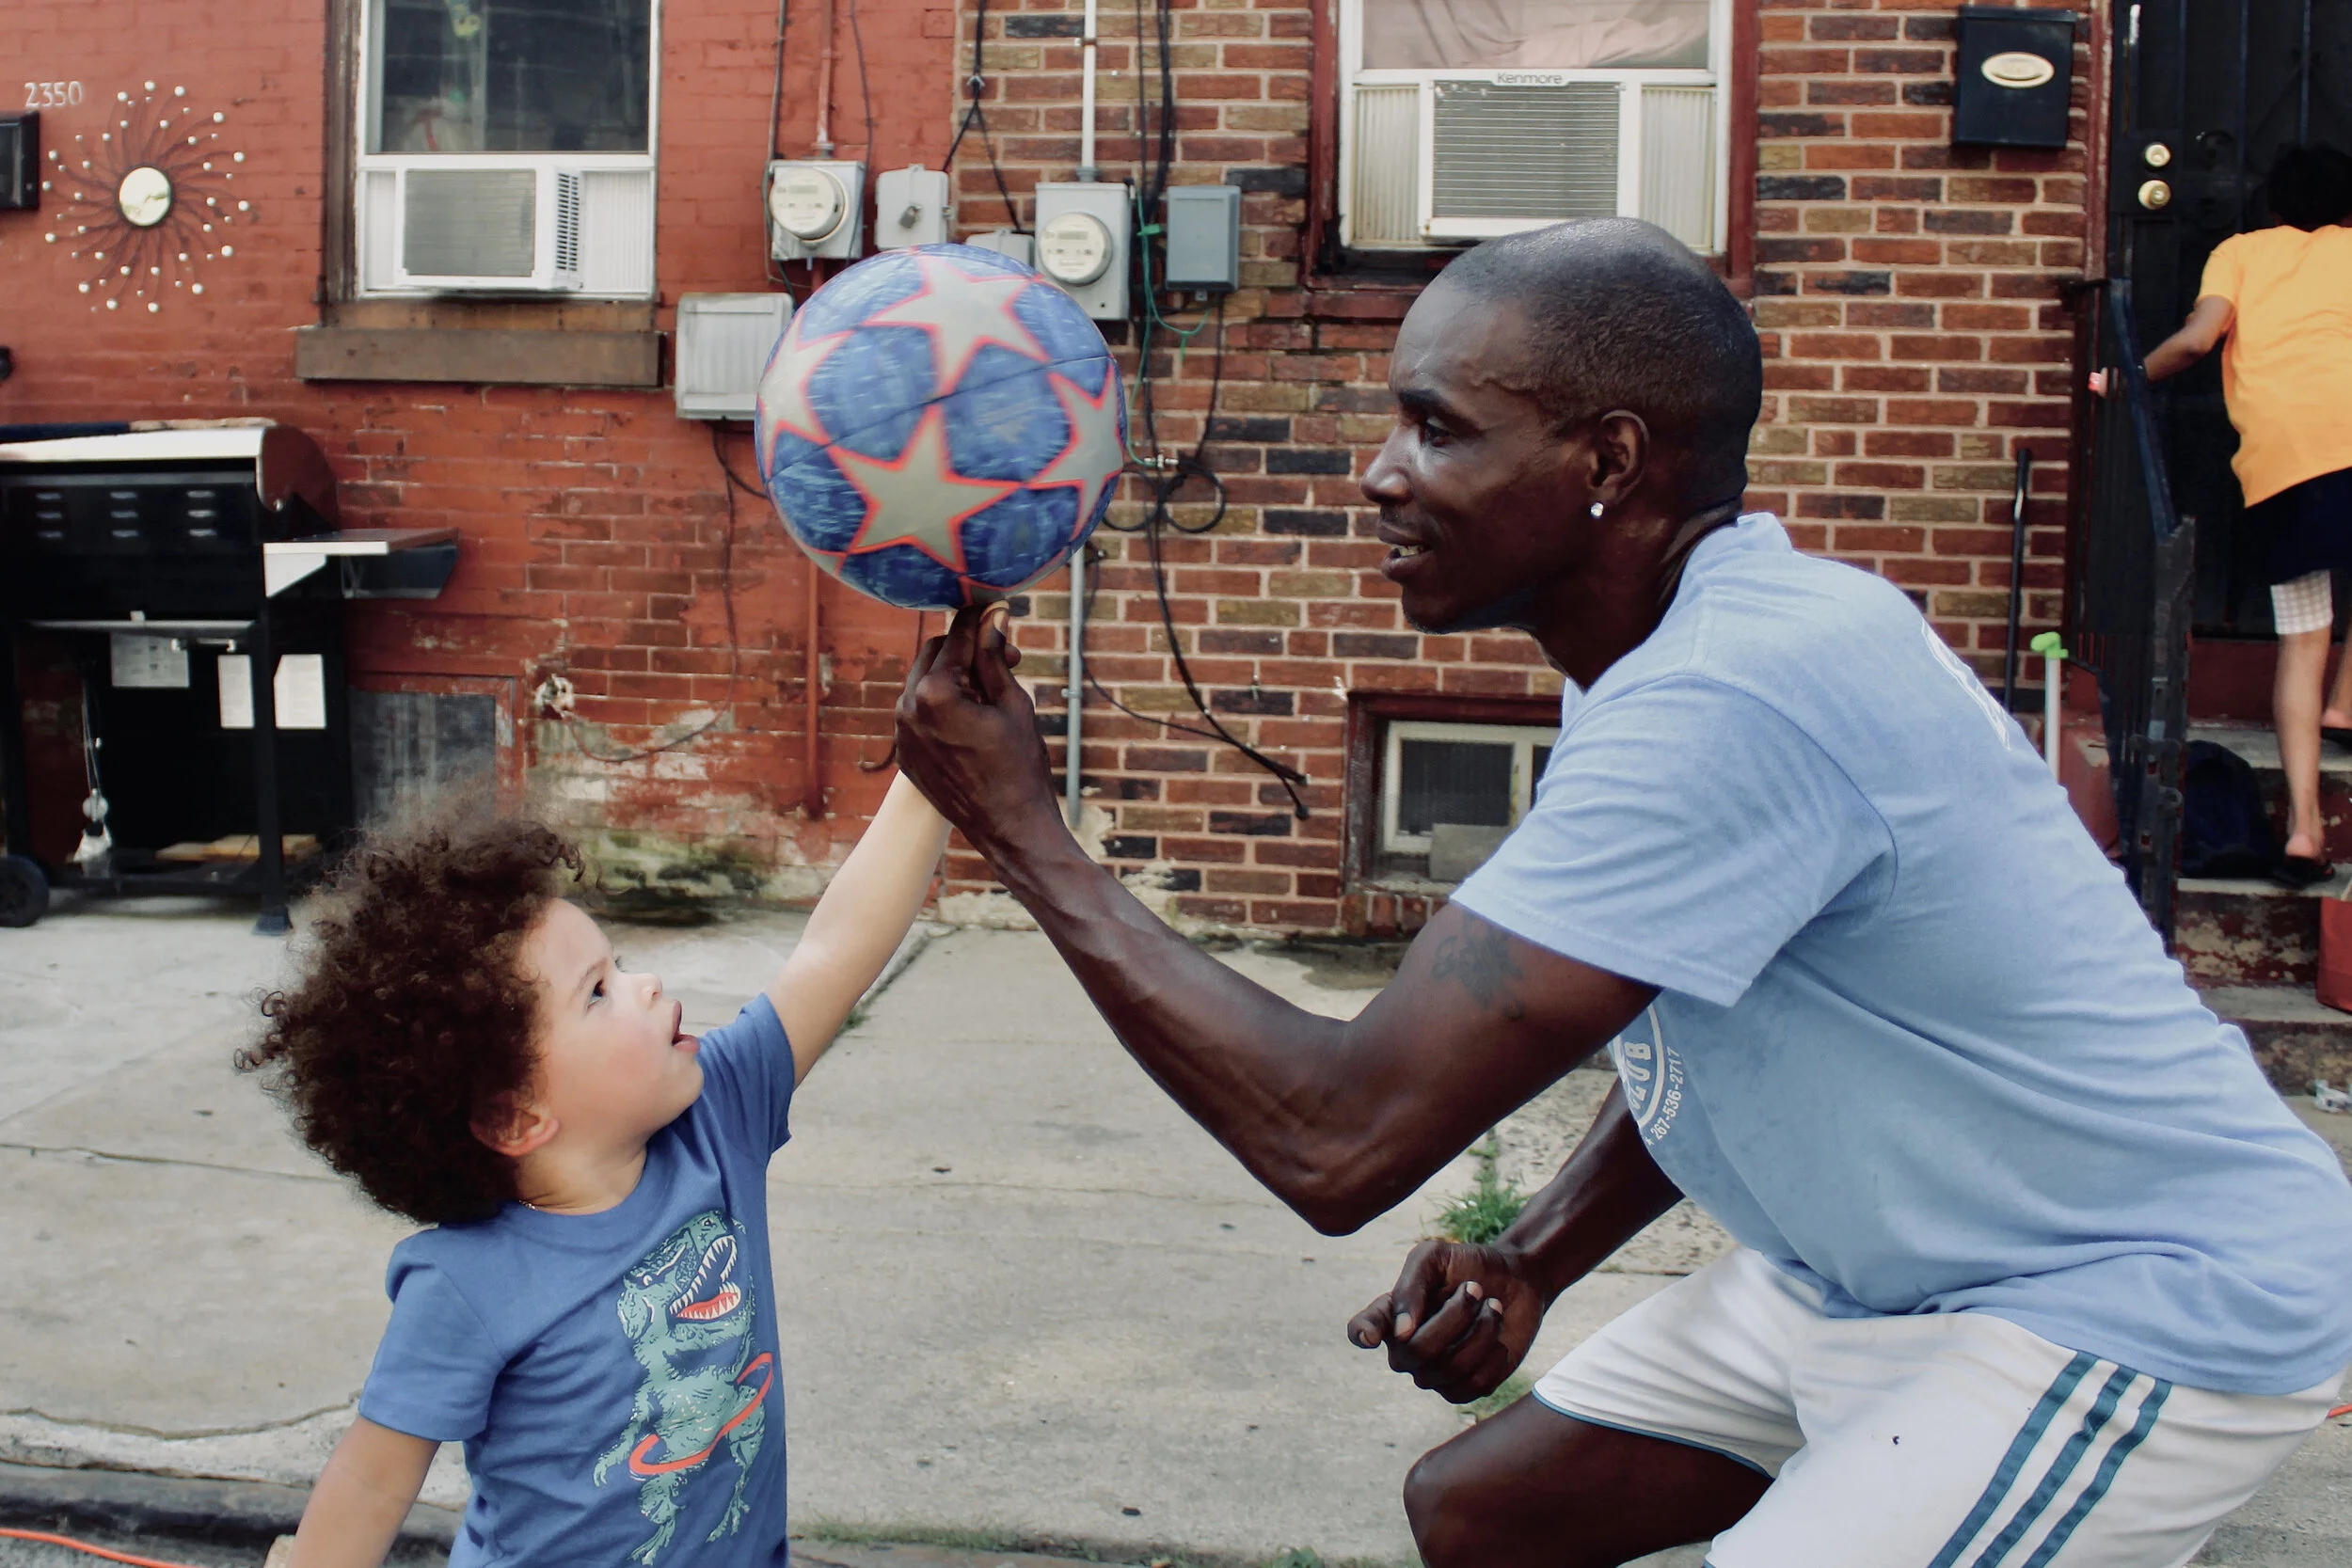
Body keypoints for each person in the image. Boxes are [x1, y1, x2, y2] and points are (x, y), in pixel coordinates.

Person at [892, 218, 2352, 1568]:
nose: (1380, 472)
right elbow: (1678, 988)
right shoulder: (1694, 640)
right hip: (1881, 1269)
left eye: (1437, 426)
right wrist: (1533, 1256)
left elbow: (1335, 1137)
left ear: (1609, 459)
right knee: (1481, 1511)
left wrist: (1024, 830)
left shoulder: (1726, 697)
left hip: (2130, 1298)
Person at [242, 773, 950, 1567]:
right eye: (600, 991)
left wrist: (930, 776)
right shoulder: (467, 1284)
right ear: (517, 1117)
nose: (646, 985)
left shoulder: (717, 1121)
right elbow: (372, 1483)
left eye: (621, 963)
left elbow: (834, 951)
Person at [2137, 142, 2352, 886]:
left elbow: (2198, 340)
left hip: (2286, 464)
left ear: (2275, 206)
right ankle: (2348, 702)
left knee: (2303, 641)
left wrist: (2131, 377)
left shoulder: (2239, 252)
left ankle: (2302, 827)